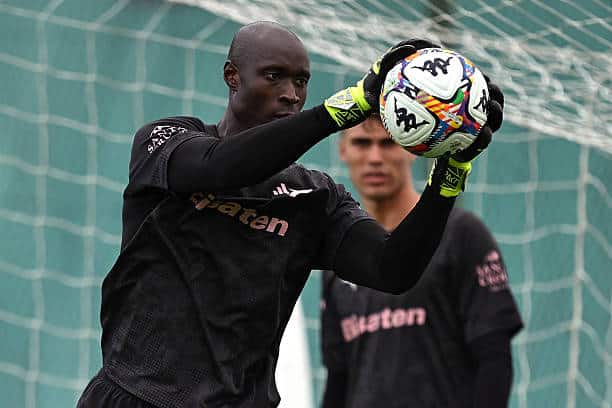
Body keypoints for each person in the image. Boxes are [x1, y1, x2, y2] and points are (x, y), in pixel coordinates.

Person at [77, 21, 505, 408]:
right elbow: (223, 167)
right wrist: (344, 108)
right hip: (134, 398)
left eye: (302, 81)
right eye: (274, 76)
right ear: (232, 76)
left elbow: (391, 268)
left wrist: (451, 171)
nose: (291, 94)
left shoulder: (314, 197)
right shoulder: (167, 140)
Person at [320, 116, 523, 408]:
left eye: (388, 144)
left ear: (412, 148)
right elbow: (338, 378)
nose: (374, 158)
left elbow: (494, 358)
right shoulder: (341, 253)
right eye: (362, 143)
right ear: (343, 151)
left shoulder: (461, 233)